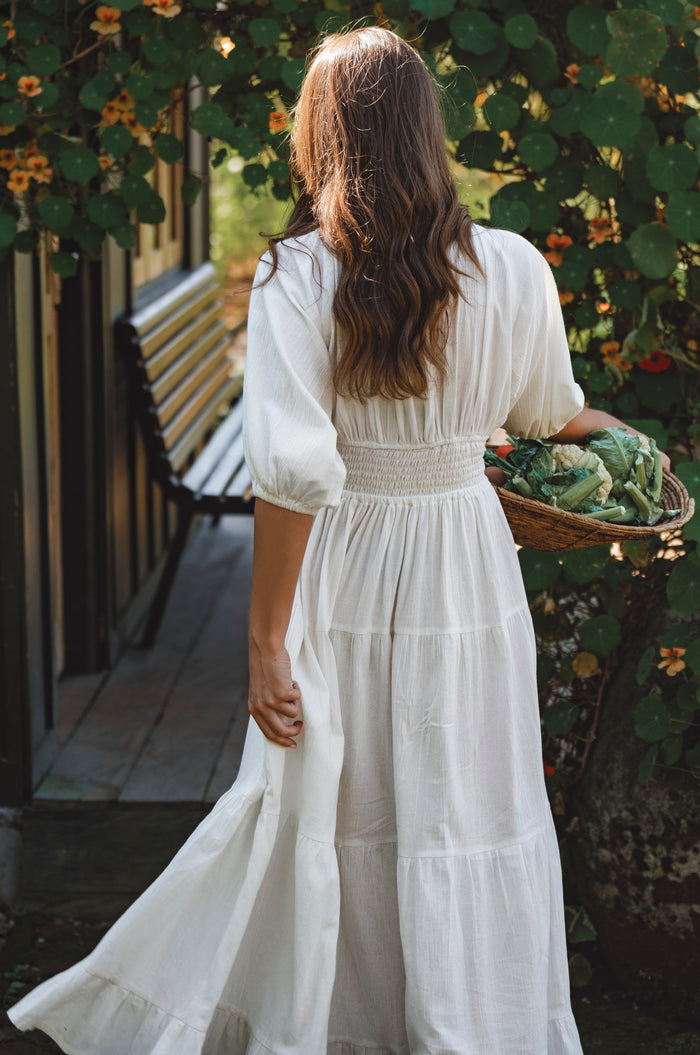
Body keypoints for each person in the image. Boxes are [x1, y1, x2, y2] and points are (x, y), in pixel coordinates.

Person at [8, 25, 668, 1055]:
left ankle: (335, 1022)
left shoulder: (297, 278)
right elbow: (544, 410)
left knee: (326, 803)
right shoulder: (511, 263)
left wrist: (266, 637)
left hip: (350, 560)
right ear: (424, 131)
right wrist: (618, 432)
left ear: (324, 133)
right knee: (462, 802)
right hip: (465, 558)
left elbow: (293, 471)